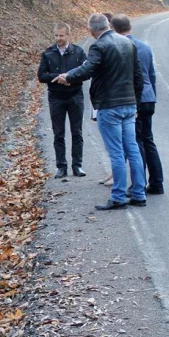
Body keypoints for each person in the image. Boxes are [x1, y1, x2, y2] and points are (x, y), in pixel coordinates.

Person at [57, 13, 145, 210]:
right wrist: (136, 103)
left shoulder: (99, 46)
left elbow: (88, 69)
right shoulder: (127, 43)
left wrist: (67, 77)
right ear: (108, 25)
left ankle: (118, 197)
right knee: (132, 149)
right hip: (129, 104)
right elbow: (138, 76)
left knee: (116, 152)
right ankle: (139, 193)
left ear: (92, 30)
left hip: (110, 105)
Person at [111, 14, 164, 195]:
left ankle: (138, 185)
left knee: (136, 142)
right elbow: (152, 75)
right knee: (148, 140)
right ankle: (157, 182)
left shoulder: (122, 47)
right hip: (148, 97)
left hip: (135, 98)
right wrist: (153, 96)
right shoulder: (145, 46)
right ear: (130, 26)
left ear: (114, 29)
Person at [38, 22, 87, 178]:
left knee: (77, 132)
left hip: (75, 96)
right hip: (56, 98)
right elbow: (41, 76)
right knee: (58, 133)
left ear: (68, 35)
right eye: (56, 35)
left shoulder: (78, 52)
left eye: (61, 35)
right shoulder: (48, 53)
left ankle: (77, 166)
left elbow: (86, 72)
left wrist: (70, 79)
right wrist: (58, 78)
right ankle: (61, 166)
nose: (58, 38)